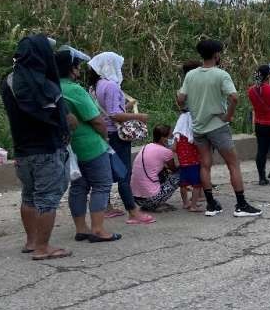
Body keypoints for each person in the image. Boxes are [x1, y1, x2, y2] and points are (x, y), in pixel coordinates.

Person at [0, 35, 75, 260]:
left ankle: (31, 242)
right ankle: (43, 248)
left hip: (22, 151)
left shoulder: (8, 82)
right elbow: (64, 119)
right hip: (47, 149)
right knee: (48, 199)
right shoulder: (46, 84)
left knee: (28, 196)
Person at [176, 39, 260, 217]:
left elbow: (181, 98)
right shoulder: (221, 75)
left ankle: (211, 204)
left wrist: (191, 109)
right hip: (217, 126)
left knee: (205, 165)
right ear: (216, 55)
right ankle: (241, 204)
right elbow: (235, 97)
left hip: (199, 127)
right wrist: (228, 115)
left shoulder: (191, 75)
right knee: (233, 164)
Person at [57, 48, 121, 243]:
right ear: (72, 69)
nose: (79, 70)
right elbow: (97, 120)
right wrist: (105, 138)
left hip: (71, 146)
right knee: (101, 184)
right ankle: (98, 229)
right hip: (90, 145)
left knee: (78, 187)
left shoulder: (53, 87)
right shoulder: (74, 90)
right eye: (77, 66)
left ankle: (81, 228)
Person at [87, 52, 155, 225]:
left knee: (107, 171)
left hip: (103, 133)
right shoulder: (111, 86)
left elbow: (108, 111)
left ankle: (107, 207)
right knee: (124, 173)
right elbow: (115, 115)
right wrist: (139, 116)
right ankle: (133, 211)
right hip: (116, 134)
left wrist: (126, 107)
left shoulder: (95, 86)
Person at [174, 61, 204, 212]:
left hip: (183, 157)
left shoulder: (180, 129)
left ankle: (186, 202)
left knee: (184, 181)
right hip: (196, 122)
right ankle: (195, 201)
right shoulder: (195, 85)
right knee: (198, 177)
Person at [130, 124, 181, 211]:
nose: (172, 139)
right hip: (150, 199)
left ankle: (154, 200)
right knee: (181, 174)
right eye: (170, 136)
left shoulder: (146, 146)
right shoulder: (166, 152)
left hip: (136, 199)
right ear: (163, 138)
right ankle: (156, 203)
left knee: (163, 171)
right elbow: (174, 169)